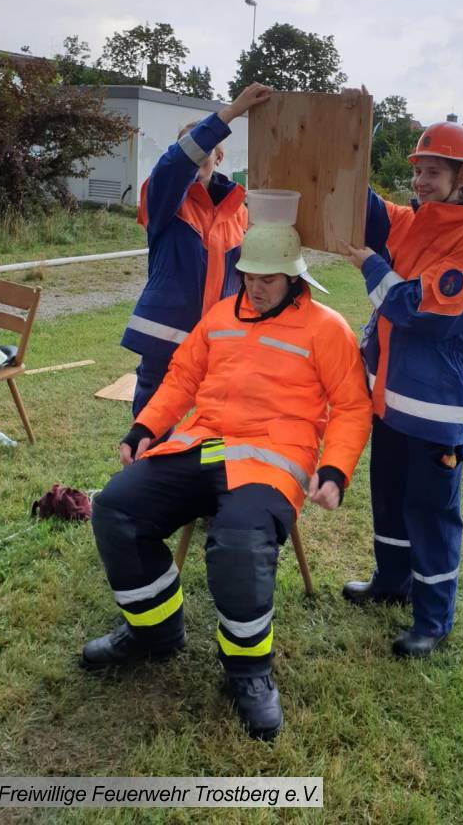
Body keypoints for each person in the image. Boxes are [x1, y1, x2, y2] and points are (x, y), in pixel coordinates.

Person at [81, 222, 372, 741]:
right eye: (248, 277)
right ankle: (154, 632)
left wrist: (334, 470)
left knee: (238, 542)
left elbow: (352, 406)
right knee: (116, 508)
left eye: (268, 279)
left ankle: (248, 671)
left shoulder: (327, 329)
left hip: (273, 458)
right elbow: (182, 377)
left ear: (294, 278)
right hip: (201, 444)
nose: (255, 288)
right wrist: (146, 426)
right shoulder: (219, 315)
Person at [341, 118, 463, 659]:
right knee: (388, 497)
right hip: (390, 398)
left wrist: (372, 266)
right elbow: (364, 207)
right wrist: (347, 144)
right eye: (419, 171)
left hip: (435, 407)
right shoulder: (412, 222)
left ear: (462, 176)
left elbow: (420, 312)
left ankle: (433, 619)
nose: (421, 181)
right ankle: (392, 582)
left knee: (430, 513)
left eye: (434, 172)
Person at [121, 83, 272, 417]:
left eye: (207, 147)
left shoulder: (239, 212)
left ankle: (201, 457)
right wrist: (232, 112)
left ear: (219, 157)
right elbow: (176, 163)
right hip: (166, 338)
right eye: (188, 146)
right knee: (155, 419)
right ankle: (149, 452)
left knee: (215, 420)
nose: (197, 153)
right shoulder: (163, 197)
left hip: (219, 336)